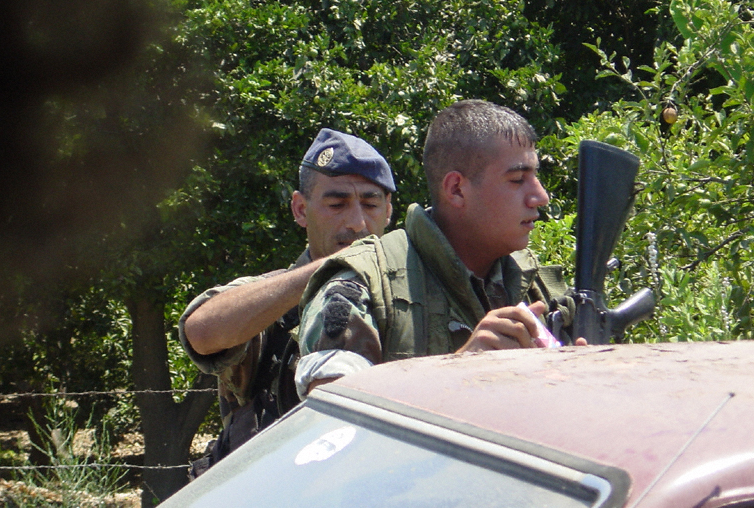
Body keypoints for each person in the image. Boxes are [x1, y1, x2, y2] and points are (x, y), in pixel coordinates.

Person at [295, 100, 578, 398]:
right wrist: (457, 373)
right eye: (518, 179)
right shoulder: (362, 283)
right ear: (456, 189)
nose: (540, 196)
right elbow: (333, 415)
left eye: (536, 177)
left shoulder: (537, 287)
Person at [178, 129, 395, 476]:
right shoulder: (273, 296)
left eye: (370, 204)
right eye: (337, 204)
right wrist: (333, 270)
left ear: (388, 211)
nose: (357, 223)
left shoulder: (412, 296)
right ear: (300, 209)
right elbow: (201, 332)